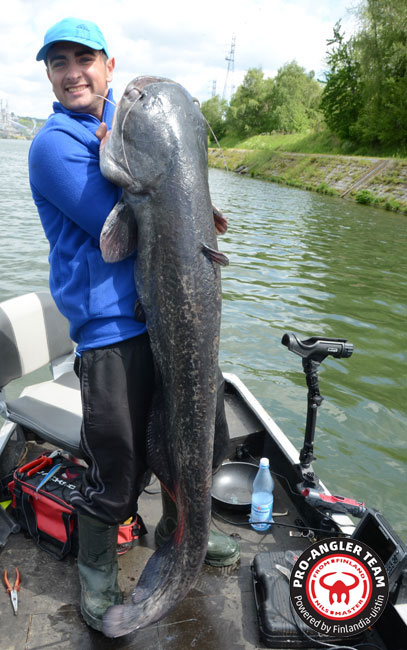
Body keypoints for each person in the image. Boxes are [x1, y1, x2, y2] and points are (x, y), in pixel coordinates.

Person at [29, 17, 240, 633]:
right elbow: (127, 224)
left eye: (84, 59)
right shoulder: (54, 144)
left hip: (167, 321)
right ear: (47, 74)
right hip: (109, 330)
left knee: (198, 439)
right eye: (58, 63)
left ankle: (187, 531)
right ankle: (97, 567)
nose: (73, 73)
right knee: (119, 468)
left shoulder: (126, 120)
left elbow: (175, 190)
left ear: (108, 65)